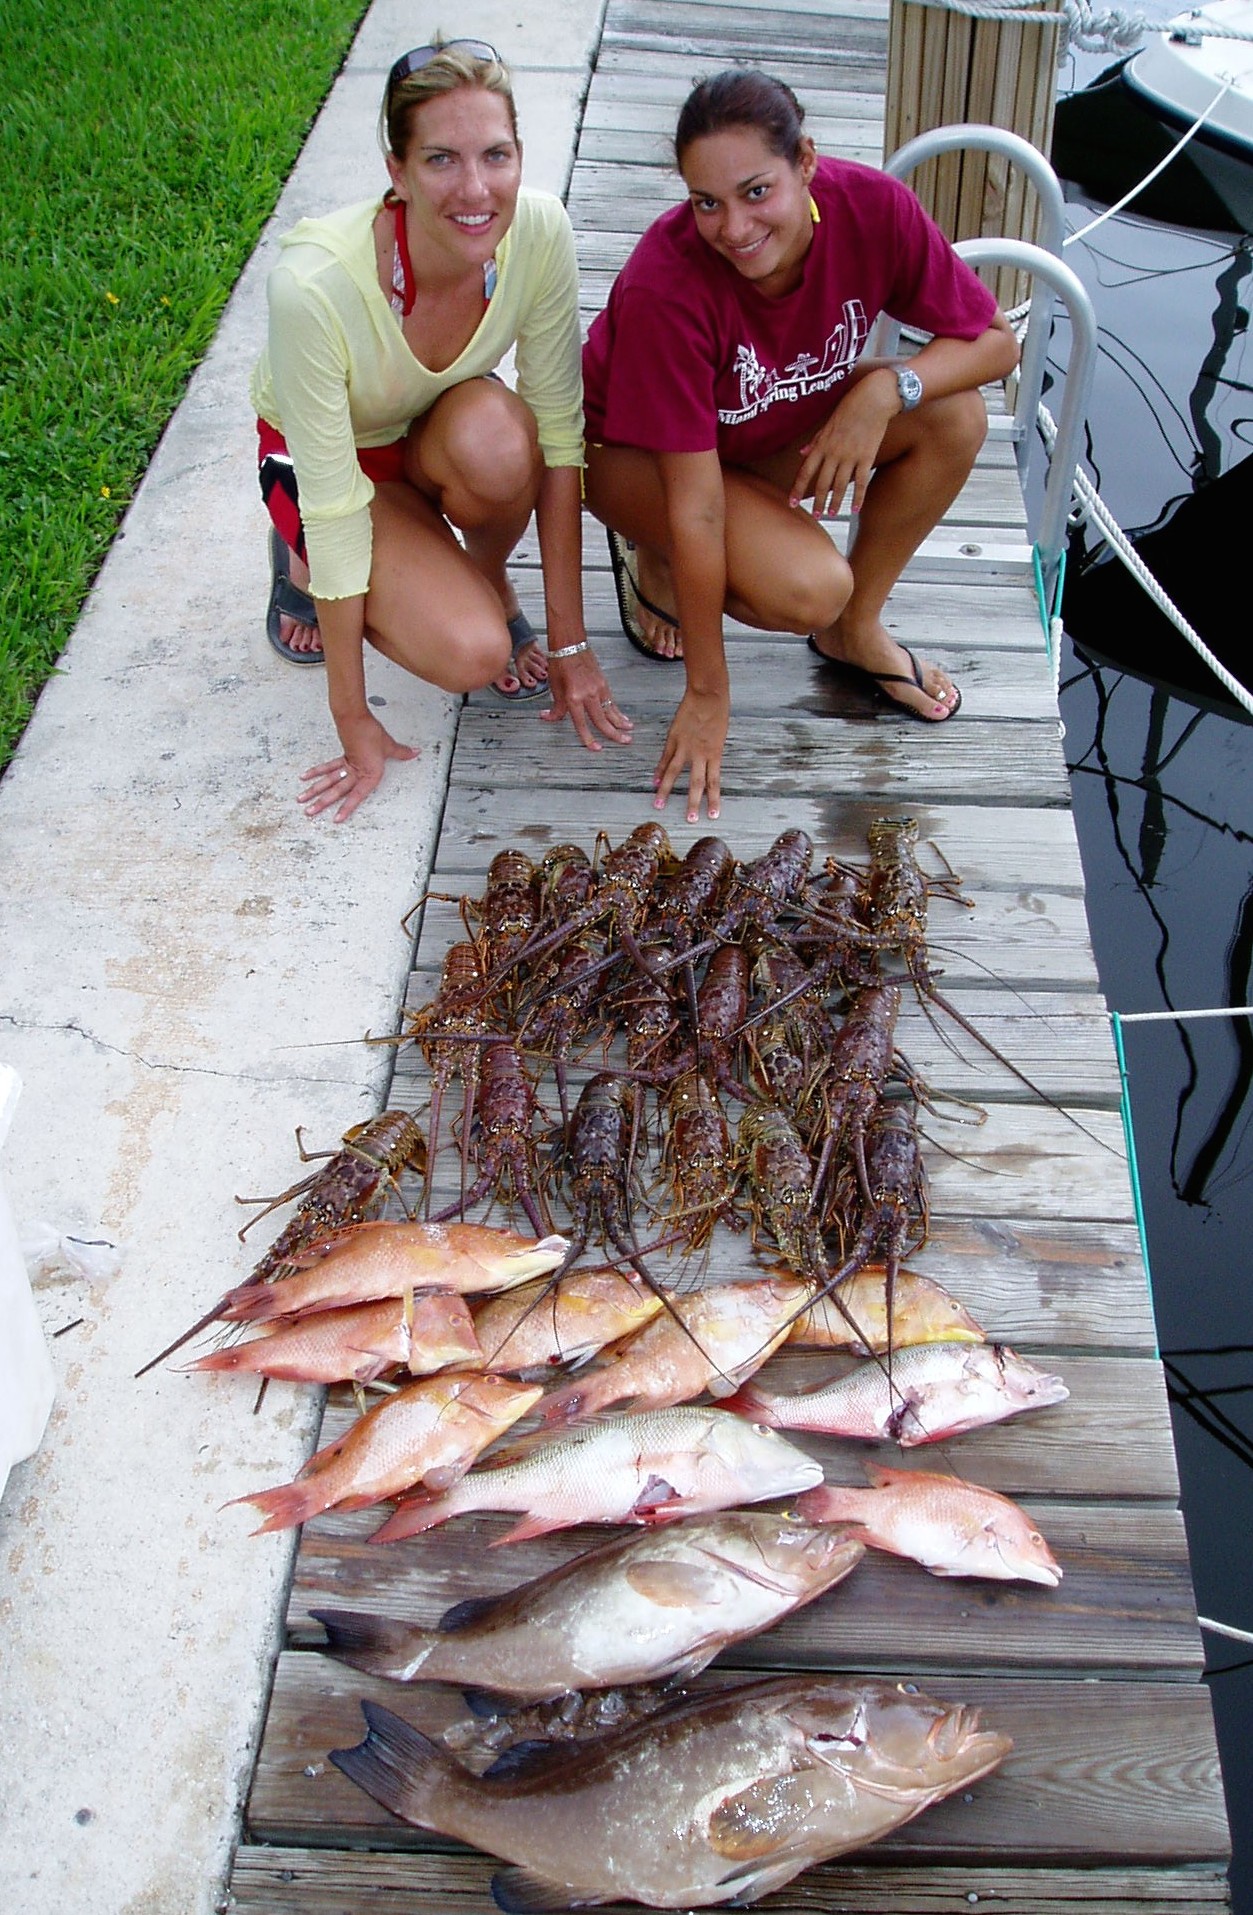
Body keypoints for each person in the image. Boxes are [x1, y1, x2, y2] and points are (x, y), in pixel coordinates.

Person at [582, 69, 1021, 823]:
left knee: (954, 415)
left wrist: (884, 390)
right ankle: (643, 552)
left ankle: (854, 631)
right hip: (635, 456)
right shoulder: (668, 284)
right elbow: (698, 510)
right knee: (806, 584)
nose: (733, 227)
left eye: (757, 192)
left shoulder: (872, 207)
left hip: (763, 424)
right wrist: (708, 693)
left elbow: (992, 343)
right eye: (705, 203)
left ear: (806, 163)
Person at [250, 38, 631, 821]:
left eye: (495, 155)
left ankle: (482, 577)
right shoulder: (312, 286)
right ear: (396, 170)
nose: (474, 189)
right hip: (330, 458)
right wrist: (352, 717)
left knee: (504, 435)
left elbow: (559, 439)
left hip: (439, 428)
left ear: (521, 153)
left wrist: (570, 642)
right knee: (472, 651)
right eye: (440, 160)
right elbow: (332, 501)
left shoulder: (540, 231)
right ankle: (296, 563)